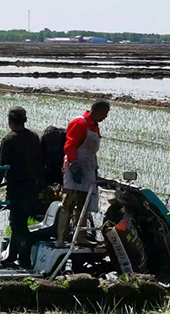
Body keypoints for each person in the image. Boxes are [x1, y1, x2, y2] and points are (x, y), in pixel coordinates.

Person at [0, 106, 41, 268]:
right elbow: (39, 162)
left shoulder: (9, 140)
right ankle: (12, 255)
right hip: (32, 187)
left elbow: (1, 166)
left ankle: (25, 258)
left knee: (17, 224)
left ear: (10, 121)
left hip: (17, 188)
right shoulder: (33, 137)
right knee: (20, 221)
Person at [56, 99, 110, 247]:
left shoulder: (94, 126)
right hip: (75, 169)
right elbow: (70, 146)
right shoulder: (80, 123)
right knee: (68, 204)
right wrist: (73, 165)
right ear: (97, 111)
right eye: (105, 113)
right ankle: (61, 239)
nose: (105, 117)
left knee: (83, 205)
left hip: (88, 170)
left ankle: (80, 237)